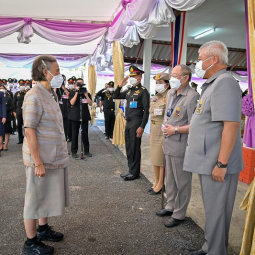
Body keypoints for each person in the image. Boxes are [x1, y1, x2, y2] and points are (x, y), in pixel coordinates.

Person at [183, 41, 244, 255]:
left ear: (213, 59)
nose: (197, 63)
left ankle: (217, 251)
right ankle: (211, 247)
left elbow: (231, 125)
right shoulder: (213, 83)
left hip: (217, 162)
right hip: (208, 160)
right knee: (212, 209)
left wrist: (221, 163)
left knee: (217, 211)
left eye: (199, 59)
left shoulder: (225, 83)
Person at [22, 55, 69, 255]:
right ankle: (30, 243)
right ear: (45, 71)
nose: (59, 74)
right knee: (34, 199)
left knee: (45, 196)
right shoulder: (34, 95)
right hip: (40, 159)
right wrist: (37, 162)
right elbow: (29, 130)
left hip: (52, 156)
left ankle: (42, 230)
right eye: (57, 71)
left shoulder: (49, 93)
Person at [155, 65, 199, 227]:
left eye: (174, 75)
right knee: (171, 178)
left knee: (182, 181)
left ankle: (179, 213)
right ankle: (171, 205)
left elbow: (195, 125)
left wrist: (176, 130)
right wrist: (163, 138)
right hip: (168, 142)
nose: (171, 78)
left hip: (181, 144)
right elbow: (167, 118)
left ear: (185, 77)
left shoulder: (192, 96)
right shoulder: (171, 93)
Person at [113, 65, 150, 181]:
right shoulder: (129, 90)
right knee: (128, 147)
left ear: (140, 77)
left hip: (136, 122)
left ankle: (135, 173)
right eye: (131, 76)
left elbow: (146, 110)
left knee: (135, 148)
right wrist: (120, 85)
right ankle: (130, 170)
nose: (132, 78)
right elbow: (115, 96)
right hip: (128, 122)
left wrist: (142, 126)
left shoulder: (143, 91)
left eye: (134, 76)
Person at [148, 73, 170, 195]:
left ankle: (161, 184)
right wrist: (151, 131)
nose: (158, 85)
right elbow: (152, 113)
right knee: (154, 158)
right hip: (154, 128)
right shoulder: (156, 96)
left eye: (160, 83)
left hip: (162, 129)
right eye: (157, 83)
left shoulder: (170, 96)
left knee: (161, 159)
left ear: (167, 84)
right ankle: (156, 181)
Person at [68, 78, 93, 158]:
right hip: (75, 116)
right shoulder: (72, 92)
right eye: (78, 84)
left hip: (84, 115)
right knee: (75, 134)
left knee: (85, 134)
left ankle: (86, 151)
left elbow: (90, 103)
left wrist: (86, 95)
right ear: (75, 85)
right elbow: (72, 102)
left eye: (82, 84)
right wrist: (77, 93)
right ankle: (74, 151)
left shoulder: (86, 93)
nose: (80, 85)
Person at [56, 75, 69, 140]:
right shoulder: (56, 90)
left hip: (65, 112)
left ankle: (65, 139)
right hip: (56, 113)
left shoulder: (66, 90)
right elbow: (52, 96)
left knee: (65, 127)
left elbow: (69, 96)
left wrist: (64, 89)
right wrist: (56, 86)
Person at [0, 84, 13, 151]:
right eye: (0, 88)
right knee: (1, 132)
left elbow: (11, 106)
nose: (1, 89)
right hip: (1, 115)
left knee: (6, 131)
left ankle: (5, 145)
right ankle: (1, 145)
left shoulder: (8, 97)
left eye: (3, 88)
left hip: (6, 115)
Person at [13, 79, 26, 144]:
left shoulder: (27, 93)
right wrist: (14, 111)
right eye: (21, 85)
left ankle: (26, 138)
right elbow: (14, 103)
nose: (22, 86)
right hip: (19, 112)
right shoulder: (17, 94)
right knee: (19, 126)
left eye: (23, 85)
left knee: (26, 126)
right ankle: (20, 139)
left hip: (26, 112)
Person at [67, 77, 76, 142]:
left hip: (73, 109)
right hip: (67, 109)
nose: (71, 84)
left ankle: (73, 137)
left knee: (73, 125)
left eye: (72, 83)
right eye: (70, 83)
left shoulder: (76, 91)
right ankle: (69, 136)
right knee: (68, 124)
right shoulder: (66, 90)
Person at [0, 84, 6, 156]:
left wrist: (4, 116)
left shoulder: (1, 94)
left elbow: (3, 105)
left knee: (0, 133)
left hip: (0, 116)